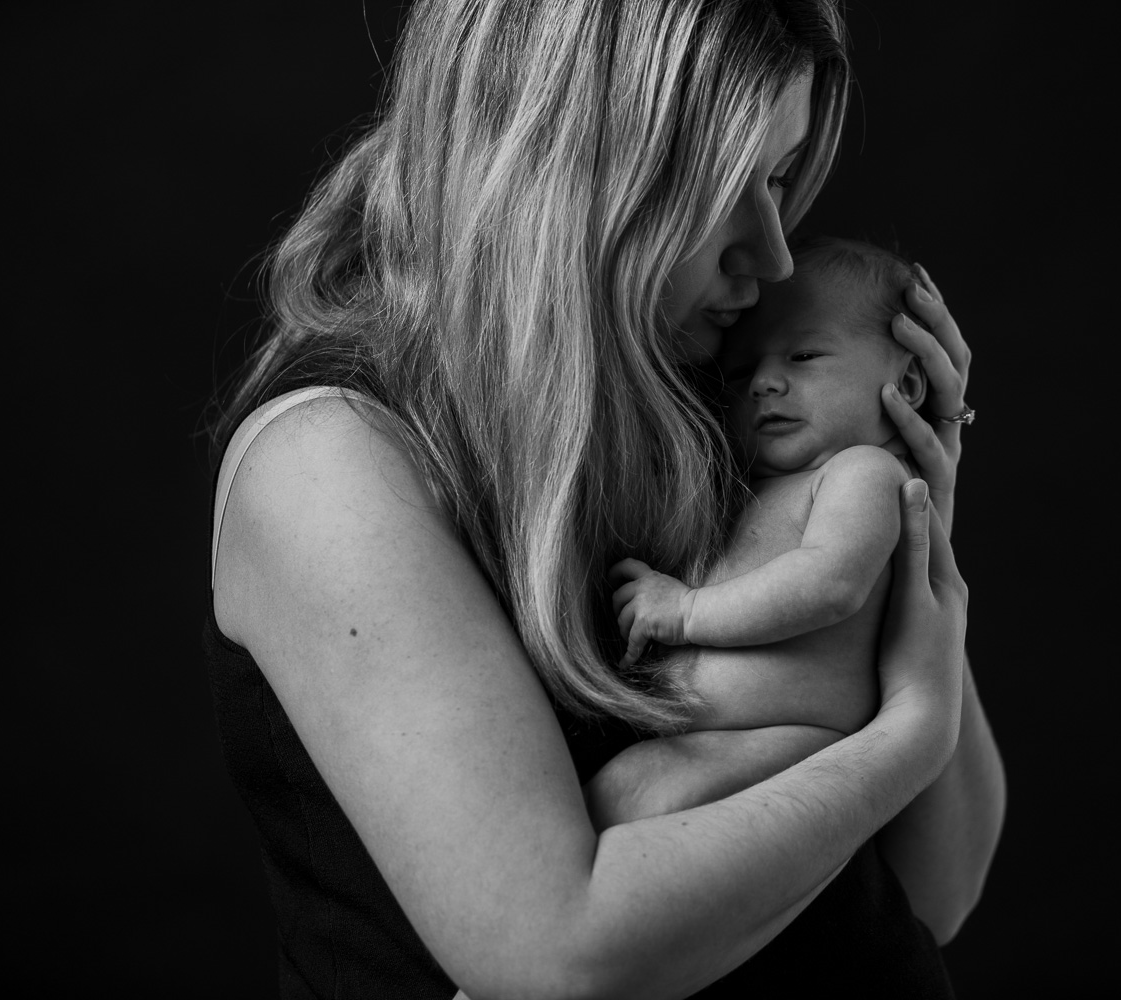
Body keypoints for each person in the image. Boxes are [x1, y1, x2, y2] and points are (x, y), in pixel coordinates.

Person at [206, 1, 1004, 997]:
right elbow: (559, 952)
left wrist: (915, 539)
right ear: (569, 172)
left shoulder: (724, 405)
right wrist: (900, 743)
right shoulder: (329, 464)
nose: (773, 255)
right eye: (725, 189)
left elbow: (937, 890)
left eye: (779, 180)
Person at [592, 237, 941, 828]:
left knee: (646, 810)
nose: (763, 384)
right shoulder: (747, 486)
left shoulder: (862, 473)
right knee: (612, 801)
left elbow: (830, 584)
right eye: (742, 370)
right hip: (702, 738)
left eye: (803, 357)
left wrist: (684, 612)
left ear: (906, 385)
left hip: (796, 737)